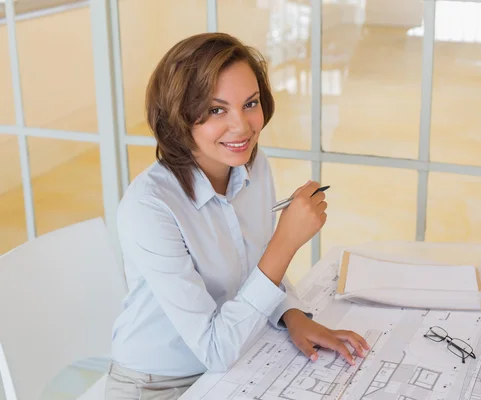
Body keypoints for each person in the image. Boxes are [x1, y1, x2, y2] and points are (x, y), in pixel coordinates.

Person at [105, 32, 369, 399]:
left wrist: (292, 315)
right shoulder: (148, 207)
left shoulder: (252, 166)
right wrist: (286, 242)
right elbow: (215, 349)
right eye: (216, 110)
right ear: (178, 116)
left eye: (250, 103)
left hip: (236, 362)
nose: (242, 126)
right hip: (157, 384)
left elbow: (252, 266)